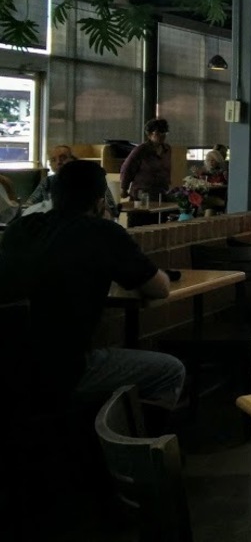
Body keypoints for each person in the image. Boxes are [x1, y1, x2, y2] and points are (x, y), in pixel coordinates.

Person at [0, 160, 185, 409]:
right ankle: (121, 432)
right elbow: (160, 289)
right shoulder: (103, 232)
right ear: (99, 202)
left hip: (9, 365)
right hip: (64, 370)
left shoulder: (19, 229)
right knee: (171, 371)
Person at [26, 144, 116, 217]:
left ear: (73, 160)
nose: (58, 162)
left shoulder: (92, 178)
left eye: (63, 158)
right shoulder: (48, 181)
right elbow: (29, 204)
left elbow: (111, 208)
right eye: (53, 160)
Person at [120, 117, 173, 202]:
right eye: (158, 132)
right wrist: (124, 188)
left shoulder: (167, 149)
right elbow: (127, 168)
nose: (162, 135)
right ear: (150, 134)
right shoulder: (141, 150)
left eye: (164, 132)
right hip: (142, 192)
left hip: (161, 192)